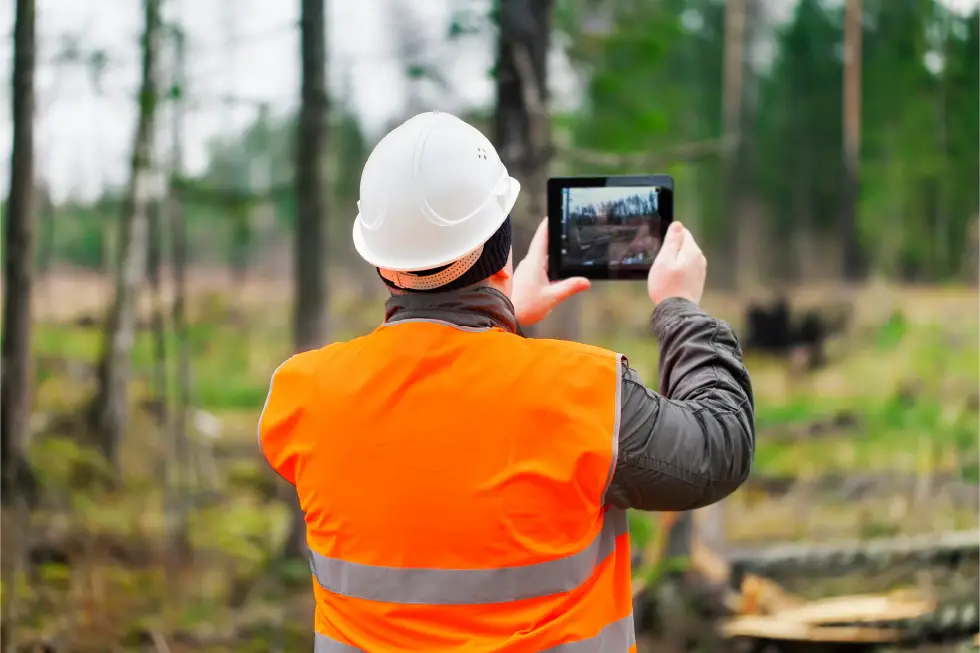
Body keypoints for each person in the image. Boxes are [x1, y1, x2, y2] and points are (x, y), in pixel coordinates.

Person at [259, 111, 755, 653]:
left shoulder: (304, 396)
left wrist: (498, 315)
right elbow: (720, 445)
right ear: (502, 248)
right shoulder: (583, 395)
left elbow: (428, 412)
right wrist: (680, 307)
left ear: (383, 263)